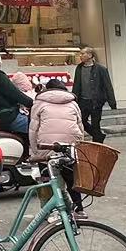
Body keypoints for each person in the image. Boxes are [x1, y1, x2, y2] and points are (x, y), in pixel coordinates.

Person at [28, 79, 86, 213]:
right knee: (71, 178)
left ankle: (49, 211)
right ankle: (79, 209)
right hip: (69, 145)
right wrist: (79, 147)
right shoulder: (73, 103)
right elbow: (80, 127)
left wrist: (35, 151)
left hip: (46, 145)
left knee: (46, 178)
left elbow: (33, 129)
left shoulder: (38, 103)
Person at [72, 48, 117, 143]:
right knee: (81, 121)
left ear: (90, 55)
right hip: (83, 100)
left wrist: (112, 102)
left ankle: (97, 143)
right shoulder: (79, 68)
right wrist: (73, 99)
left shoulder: (101, 69)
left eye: (83, 54)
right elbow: (76, 85)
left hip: (96, 101)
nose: (80, 56)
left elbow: (108, 86)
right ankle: (98, 136)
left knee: (95, 123)